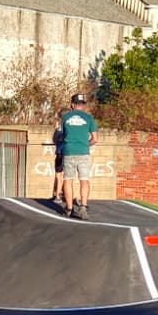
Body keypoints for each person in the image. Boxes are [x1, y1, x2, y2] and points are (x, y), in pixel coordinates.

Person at [56, 91, 97, 220]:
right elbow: (95, 139)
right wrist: (85, 145)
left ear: (72, 105)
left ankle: (69, 209)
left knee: (68, 180)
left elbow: (61, 135)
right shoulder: (89, 118)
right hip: (83, 152)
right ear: (83, 105)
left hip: (69, 151)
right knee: (84, 180)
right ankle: (83, 207)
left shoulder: (65, 118)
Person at [49, 118, 66, 210]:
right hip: (60, 153)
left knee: (59, 176)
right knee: (60, 176)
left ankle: (58, 196)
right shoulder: (62, 130)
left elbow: (55, 140)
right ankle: (58, 194)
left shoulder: (60, 130)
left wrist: (56, 130)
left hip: (62, 154)